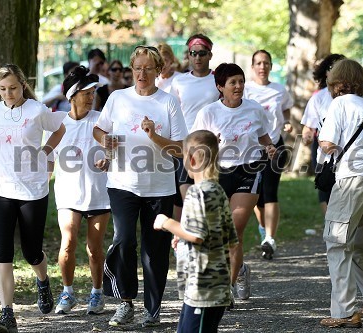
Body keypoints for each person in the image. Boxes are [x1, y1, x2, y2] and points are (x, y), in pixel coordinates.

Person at [93, 45, 188, 327]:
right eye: (137, 68)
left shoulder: (168, 102)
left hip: (158, 187)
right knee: (123, 240)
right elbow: (99, 128)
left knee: (154, 250)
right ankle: (125, 302)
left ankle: (153, 308)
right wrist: (104, 141)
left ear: (158, 71)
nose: (142, 73)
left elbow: (181, 149)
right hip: (122, 183)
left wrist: (155, 136)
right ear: (131, 69)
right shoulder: (118, 98)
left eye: (148, 68)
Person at [0, 64, 66, 332]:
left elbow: (60, 128)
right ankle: (7, 313)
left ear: (23, 85)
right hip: (0, 190)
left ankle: (43, 280)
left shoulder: (37, 110)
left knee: (31, 252)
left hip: (32, 189)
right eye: (3, 89)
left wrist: (46, 150)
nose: (8, 93)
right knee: (1, 251)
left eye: (13, 88)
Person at [191, 63, 276, 305]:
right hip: (218, 172)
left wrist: (269, 146)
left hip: (249, 170)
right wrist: (210, 144)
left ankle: (225, 288)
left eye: (240, 81)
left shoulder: (254, 109)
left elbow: (263, 135)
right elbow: (195, 145)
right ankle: (240, 270)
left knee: (234, 229)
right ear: (220, 87)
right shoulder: (208, 113)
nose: (238, 86)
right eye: (232, 83)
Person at [317, 59, 363, 328]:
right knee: (359, 246)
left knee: (338, 244)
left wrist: (318, 139)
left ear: (337, 82)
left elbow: (327, 144)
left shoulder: (339, 104)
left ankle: (344, 312)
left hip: (352, 179)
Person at [153, 130, 239, 332]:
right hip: (216, 288)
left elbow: (197, 235)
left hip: (202, 289)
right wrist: (181, 236)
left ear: (191, 159)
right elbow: (230, 239)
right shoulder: (218, 191)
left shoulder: (195, 193)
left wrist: (166, 222)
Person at [50, 66, 111, 315]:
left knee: (94, 249)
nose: (91, 96)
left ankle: (97, 294)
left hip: (98, 192)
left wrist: (109, 157)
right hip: (68, 194)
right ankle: (68, 292)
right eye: (86, 92)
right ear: (72, 95)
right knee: (68, 242)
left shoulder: (102, 119)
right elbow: (49, 160)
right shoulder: (58, 124)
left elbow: (118, 146)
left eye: (93, 91)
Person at [243, 50, 293, 259]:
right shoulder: (245, 90)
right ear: (253, 67)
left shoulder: (280, 90)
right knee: (257, 196)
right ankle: (264, 230)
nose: (262, 67)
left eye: (266, 63)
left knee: (270, 191)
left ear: (271, 66)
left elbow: (287, 110)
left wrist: (287, 122)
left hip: (275, 146)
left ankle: (270, 238)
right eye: (258, 63)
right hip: (253, 148)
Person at [170, 34, 220, 218]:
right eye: (193, 53)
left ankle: (202, 231)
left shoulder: (218, 80)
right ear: (188, 55)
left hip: (210, 143)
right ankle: (179, 240)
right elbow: (171, 111)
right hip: (184, 143)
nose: (198, 57)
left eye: (202, 53)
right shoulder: (179, 81)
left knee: (205, 190)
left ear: (210, 55)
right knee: (182, 193)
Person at [301, 54, 346, 216]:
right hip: (323, 150)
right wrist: (306, 136)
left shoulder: (353, 98)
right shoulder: (318, 98)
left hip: (349, 152)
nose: (334, 72)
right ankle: (331, 224)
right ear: (325, 73)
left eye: (339, 68)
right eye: (330, 68)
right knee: (325, 186)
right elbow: (308, 127)